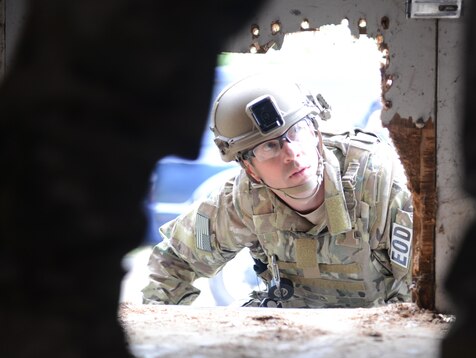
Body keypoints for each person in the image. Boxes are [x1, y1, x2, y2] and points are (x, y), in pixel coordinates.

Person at [141, 73, 414, 307]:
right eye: (269, 146)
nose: (292, 154)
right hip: (287, 333)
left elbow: (422, 286)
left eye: (297, 132)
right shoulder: (242, 200)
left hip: (378, 331)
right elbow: (174, 261)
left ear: (316, 134)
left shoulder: (380, 183)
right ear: (250, 169)